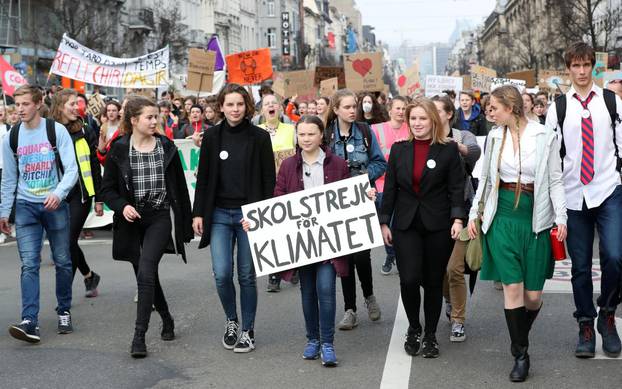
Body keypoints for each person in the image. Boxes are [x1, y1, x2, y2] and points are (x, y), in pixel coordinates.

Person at [468, 85, 567, 381]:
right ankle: (520, 353)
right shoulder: (494, 137)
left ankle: (519, 334)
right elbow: (485, 179)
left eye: (494, 108)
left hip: (535, 217)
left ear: (510, 108)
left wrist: (560, 217)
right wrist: (475, 213)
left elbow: (555, 180)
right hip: (502, 218)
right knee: (512, 289)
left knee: (533, 297)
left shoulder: (544, 137)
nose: (489, 113)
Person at [246, 115, 352, 366]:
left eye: (311, 134)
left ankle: (327, 343)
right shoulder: (288, 165)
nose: (306, 139)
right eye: (301, 134)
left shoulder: (337, 164)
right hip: (301, 242)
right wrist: (257, 222)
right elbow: (278, 199)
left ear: (321, 135)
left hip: (328, 240)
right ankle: (312, 339)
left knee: (325, 289)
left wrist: (365, 195)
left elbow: (348, 196)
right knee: (307, 292)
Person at [545, 42, 622, 359]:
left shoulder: (611, 101)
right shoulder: (558, 107)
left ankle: (607, 314)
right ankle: (586, 324)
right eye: (574, 66)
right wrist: (554, 203)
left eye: (585, 65)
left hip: (607, 188)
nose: (580, 71)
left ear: (593, 67)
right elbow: (552, 157)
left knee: (615, 256)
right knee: (579, 267)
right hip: (574, 193)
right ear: (568, 69)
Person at [100, 96, 193, 358]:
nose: (155, 121)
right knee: (146, 274)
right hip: (131, 219)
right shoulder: (118, 148)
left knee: (146, 270)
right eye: (149, 117)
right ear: (134, 121)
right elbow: (106, 190)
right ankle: (166, 317)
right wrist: (121, 206)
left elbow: (180, 190)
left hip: (159, 216)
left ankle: (139, 337)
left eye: (156, 116)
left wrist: (187, 222)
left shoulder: (166, 146)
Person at [192, 83, 276, 353]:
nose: (235, 109)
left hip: (249, 215)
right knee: (222, 274)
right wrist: (198, 212)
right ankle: (232, 319)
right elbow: (203, 177)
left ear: (247, 106)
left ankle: (248, 330)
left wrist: (263, 214)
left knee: (247, 275)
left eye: (240, 104)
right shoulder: (212, 137)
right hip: (218, 214)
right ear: (221, 107)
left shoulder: (260, 138)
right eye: (230, 104)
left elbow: (268, 180)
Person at [380, 97, 465, 358]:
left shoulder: (448, 150)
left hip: (438, 224)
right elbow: (391, 187)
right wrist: (384, 221)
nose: (417, 123)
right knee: (409, 279)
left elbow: (456, 188)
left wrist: (457, 219)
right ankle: (414, 328)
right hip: (406, 224)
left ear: (433, 121)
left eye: (422, 118)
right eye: (413, 119)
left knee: (431, 281)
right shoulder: (399, 149)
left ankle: (429, 334)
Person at [1, 85, 79, 343]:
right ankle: (29, 321)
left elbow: (71, 170)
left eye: (25, 104)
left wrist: (58, 193)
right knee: (29, 264)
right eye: (17, 104)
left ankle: (64, 309)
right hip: (25, 207)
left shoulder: (55, 131)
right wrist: (4, 212)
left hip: (54, 205)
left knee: (63, 260)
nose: (19, 109)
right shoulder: (11, 137)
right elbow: (9, 179)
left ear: (37, 103)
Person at [325, 89, 387, 330]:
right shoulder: (327, 134)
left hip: (361, 199)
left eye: (355, 106)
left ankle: (369, 296)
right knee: (344, 256)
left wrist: (362, 178)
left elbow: (380, 162)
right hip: (335, 203)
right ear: (337, 109)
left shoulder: (364, 131)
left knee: (362, 254)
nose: (352, 111)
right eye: (348, 107)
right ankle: (349, 308)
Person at [432, 95, 481, 343]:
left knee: (455, 268)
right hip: (436, 215)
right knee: (440, 268)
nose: (432, 115)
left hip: (463, 209)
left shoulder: (463, 135)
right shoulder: (425, 138)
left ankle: (458, 320)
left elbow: (474, 152)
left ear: (449, 114)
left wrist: (454, 146)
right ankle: (449, 300)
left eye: (437, 111)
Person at [50, 89, 104, 297]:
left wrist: (99, 198)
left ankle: (64, 294)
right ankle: (89, 275)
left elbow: (93, 163)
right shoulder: (49, 130)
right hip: (57, 194)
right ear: (60, 107)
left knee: (68, 241)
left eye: (77, 104)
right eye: (72, 104)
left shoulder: (86, 130)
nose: (76, 108)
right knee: (67, 241)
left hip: (81, 194)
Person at [370, 96, 410, 275]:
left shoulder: (412, 129)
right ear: (390, 110)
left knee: (397, 222)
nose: (401, 112)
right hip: (381, 184)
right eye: (398, 108)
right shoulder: (376, 129)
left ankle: (398, 255)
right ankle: (390, 253)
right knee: (385, 223)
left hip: (404, 185)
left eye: (404, 108)